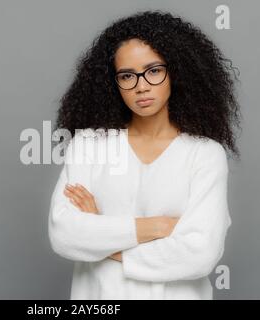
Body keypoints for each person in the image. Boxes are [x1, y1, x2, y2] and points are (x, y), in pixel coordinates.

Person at [48, 10, 241, 300]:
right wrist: (157, 227)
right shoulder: (89, 145)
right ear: (113, 82)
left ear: (175, 71)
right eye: (127, 75)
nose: (141, 85)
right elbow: (64, 234)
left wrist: (102, 237)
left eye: (153, 70)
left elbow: (201, 253)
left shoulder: (204, 154)